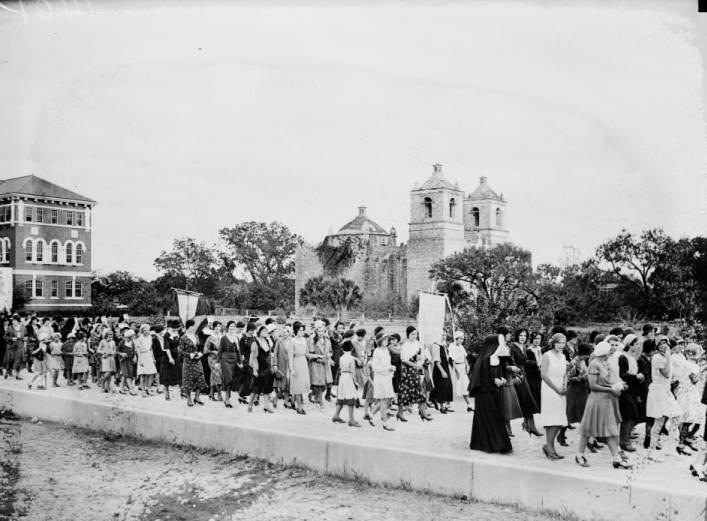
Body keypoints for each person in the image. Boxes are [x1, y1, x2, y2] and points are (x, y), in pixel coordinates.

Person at [574, 342, 632, 469]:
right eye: (609, 351)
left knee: (612, 429)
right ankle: (579, 455)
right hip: (597, 400)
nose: (611, 353)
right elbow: (593, 386)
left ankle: (616, 459)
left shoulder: (607, 363)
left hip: (609, 400)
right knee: (588, 429)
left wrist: (621, 384)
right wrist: (610, 389)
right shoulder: (594, 364)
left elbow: (613, 379)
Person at [469, 334, 512, 454]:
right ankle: (496, 444)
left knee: (495, 417)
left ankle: (495, 443)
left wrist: (502, 379)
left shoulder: (497, 358)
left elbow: (498, 373)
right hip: (484, 393)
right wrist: (494, 381)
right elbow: (480, 379)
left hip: (494, 392)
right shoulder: (484, 360)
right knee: (490, 418)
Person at [646, 335, 682, 462]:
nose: (663, 345)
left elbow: (669, 375)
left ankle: (670, 449)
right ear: (657, 346)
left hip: (666, 391)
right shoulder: (656, 357)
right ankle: (651, 450)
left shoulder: (667, 357)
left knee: (677, 416)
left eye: (665, 343)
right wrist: (667, 357)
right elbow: (666, 374)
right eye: (661, 343)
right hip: (658, 392)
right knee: (659, 421)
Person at [540, 333, 568, 460]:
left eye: (563, 343)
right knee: (554, 418)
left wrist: (564, 385)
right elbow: (543, 374)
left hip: (560, 387)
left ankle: (549, 446)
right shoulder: (547, 355)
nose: (561, 345)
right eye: (559, 342)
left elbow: (565, 373)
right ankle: (549, 447)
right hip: (549, 387)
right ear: (553, 343)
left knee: (559, 419)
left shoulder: (563, 356)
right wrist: (555, 388)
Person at [510, 328, 541, 436]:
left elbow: (524, 361)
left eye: (524, 336)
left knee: (527, 400)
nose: (523, 338)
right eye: (521, 335)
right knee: (514, 402)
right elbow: (511, 362)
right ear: (517, 336)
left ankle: (530, 426)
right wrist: (515, 375)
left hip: (524, 375)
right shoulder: (512, 347)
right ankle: (509, 428)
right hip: (517, 376)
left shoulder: (523, 347)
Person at [398, 327, 432, 422]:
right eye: (412, 334)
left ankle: (423, 412)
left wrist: (421, 359)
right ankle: (400, 412)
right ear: (408, 334)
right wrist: (416, 366)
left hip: (416, 370)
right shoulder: (405, 345)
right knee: (405, 392)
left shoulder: (418, 344)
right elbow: (405, 360)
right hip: (407, 371)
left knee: (420, 391)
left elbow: (420, 355)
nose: (414, 336)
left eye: (416, 334)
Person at [618, 334, 644, 452]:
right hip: (625, 389)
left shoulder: (632, 357)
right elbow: (622, 374)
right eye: (636, 344)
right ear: (630, 344)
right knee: (628, 415)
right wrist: (636, 376)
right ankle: (624, 441)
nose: (638, 346)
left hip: (633, 390)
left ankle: (625, 438)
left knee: (632, 415)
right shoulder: (623, 357)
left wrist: (639, 378)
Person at [331, 340, 360, 427]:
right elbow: (353, 372)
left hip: (342, 377)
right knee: (350, 398)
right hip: (348, 378)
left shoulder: (341, 358)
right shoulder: (351, 358)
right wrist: (355, 382)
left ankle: (336, 415)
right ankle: (351, 420)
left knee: (341, 396)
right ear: (351, 349)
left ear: (343, 349)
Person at [371, 334, 396, 431]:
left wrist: (391, 368)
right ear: (380, 341)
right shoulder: (377, 351)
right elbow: (375, 367)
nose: (387, 341)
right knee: (383, 401)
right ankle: (385, 423)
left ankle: (370, 415)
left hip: (387, 377)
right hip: (380, 378)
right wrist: (388, 368)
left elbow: (387, 364)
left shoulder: (386, 350)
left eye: (387, 339)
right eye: (385, 339)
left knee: (385, 400)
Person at [179, 319, 206, 407]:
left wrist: (199, 354)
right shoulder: (183, 337)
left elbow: (199, 348)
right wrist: (189, 355)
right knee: (188, 380)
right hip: (188, 362)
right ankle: (189, 399)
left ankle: (197, 397)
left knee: (200, 378)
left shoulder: (196, 336)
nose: (193, 328)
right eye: (191, 326)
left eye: (194, 326)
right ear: (187, 327)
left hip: (197, 360)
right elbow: (181, 351)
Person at [249, 325, 275, 413]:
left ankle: (267, 407)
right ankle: (250, 405)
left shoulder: (267, 341)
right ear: (259, 332)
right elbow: (252, 357)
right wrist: (254, 370)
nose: (265, 333)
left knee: (267, 388)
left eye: (266, 331)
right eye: (263, 331)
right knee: (256, 389)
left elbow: (270, 355)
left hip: (267, 368)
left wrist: (272, 366)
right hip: (259, 368)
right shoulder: (255, 342)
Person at [307, 323, 333, 409]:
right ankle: (321, 402)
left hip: (325, 364)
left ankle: (313, 395)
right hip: (316, 364)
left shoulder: (327, 340)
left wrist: (329, 355)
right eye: (319, 331)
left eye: (322, 331)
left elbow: (330, 351)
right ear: (316, 331)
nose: (320, 332)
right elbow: (309, 354)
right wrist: (318, 356)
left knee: (325, 385)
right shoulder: (312, 340)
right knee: (319, 384)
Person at [288, 321, 310, 415]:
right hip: (296, 363)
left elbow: (307, 353)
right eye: (300, 330)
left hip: (303, 363)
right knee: (297, 386)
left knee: (302, 385)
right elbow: (290, 357)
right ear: (296, 330)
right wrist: (292, 369)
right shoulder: (292, 341)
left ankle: (292, 401)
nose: (302, 332)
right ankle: (299, 408)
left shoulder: (304, 340)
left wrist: (318, 356)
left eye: (303, 330)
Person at [219, 321, 242, 408]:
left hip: (234, 359)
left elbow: (238, 351)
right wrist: (218, 362)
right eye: (231, 326)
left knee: (233, 379)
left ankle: (228, 397)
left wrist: (240, 362)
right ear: (228, 327)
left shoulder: (236, 338)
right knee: (228, 379)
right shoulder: (223, 338)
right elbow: (220, 351)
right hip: (225, 360)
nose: (232, 328)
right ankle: (227, 399)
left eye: (234, 326)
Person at [430, 333, 454, 413]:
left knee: (448, 386)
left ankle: (436, 400)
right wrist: (442, 371)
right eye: (442, 335)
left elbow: (447, 357)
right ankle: (442, 406)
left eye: (445, 335)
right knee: (441, 386)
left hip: (445, 366)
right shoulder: (436, 345)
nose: (444, 336)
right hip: (439, 368)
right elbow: (436, 360)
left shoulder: (444, 345)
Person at [448, 332, 472, 412]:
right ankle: (447, 405)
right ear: (456, 339)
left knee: (465, 386)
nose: (462, 340)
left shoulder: (461, 347)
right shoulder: (452, 346)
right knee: (454, 386)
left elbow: (465, 358)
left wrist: (467, 366)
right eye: (460, 338)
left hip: (463, 368)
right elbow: (452, 360)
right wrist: (456, 371)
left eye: (462, 339)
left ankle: (469, 405)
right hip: (456, 368)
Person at [160, 320, 182, 401]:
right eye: (176, 328)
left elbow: (179, 344)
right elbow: (166, 348)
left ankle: (182, 391)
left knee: (178, 373)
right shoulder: (166, 335)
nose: (177, 329)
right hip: (168, 357)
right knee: (167, 375)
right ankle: (167, 393)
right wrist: (170, 358)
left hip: (177, 355)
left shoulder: (178, 333)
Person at [203, 321, 223, 402]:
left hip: (220, 358)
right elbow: (205, 350)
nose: (218, 328)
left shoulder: (223, 337)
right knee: (216, 374)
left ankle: (211, 393)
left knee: (215, 375)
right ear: (213, 328)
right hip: (212, 358)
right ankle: (219, 393)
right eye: (216, 327)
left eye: (219, 327)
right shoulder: (210, 337)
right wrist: (212, 351)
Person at [135, 324, 157, 397]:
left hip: (149, 356)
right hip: (142, 356)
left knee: (151, 373)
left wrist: (153, 358)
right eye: (145, 330)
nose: (146, 332)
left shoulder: (150, 337)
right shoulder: (139, 339)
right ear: (142, 331)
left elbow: (151, 349)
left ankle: (148, 388)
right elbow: (138, 350)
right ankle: (143, 390)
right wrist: (140, 360)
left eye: (148, 330)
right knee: (143, 374)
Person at [272, 326, 291, 409]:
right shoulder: (278, 342)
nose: (285, 333)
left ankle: (286, 402)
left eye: (286, 332)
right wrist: (275, 365)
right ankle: (275, 398)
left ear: (289, 333)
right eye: (283, 332)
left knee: (288, 385)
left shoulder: (291, 341)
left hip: (289, 366)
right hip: (281, 365)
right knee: (281, 385)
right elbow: (275, 354)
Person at [525, 332, 543, 409]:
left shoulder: (541, 349)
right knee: (534, 392)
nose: (537, 340)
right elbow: (526, 363)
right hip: (532, 375)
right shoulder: (528, 350)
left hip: (541, 375)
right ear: (532, 339)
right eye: (535, 339)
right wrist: (536, 364)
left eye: (538, 339)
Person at [117, 329, 137, 395]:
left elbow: (134, 351)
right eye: (132, 336)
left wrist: (134, 357)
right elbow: (117, 351)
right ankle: (131, 389)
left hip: (130, 360)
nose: (133, 337)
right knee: (127, 374)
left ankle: (121, 388)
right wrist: (121, 353)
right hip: (123, 360)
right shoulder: (122, 342)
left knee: (125, 375)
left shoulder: (132, 342)